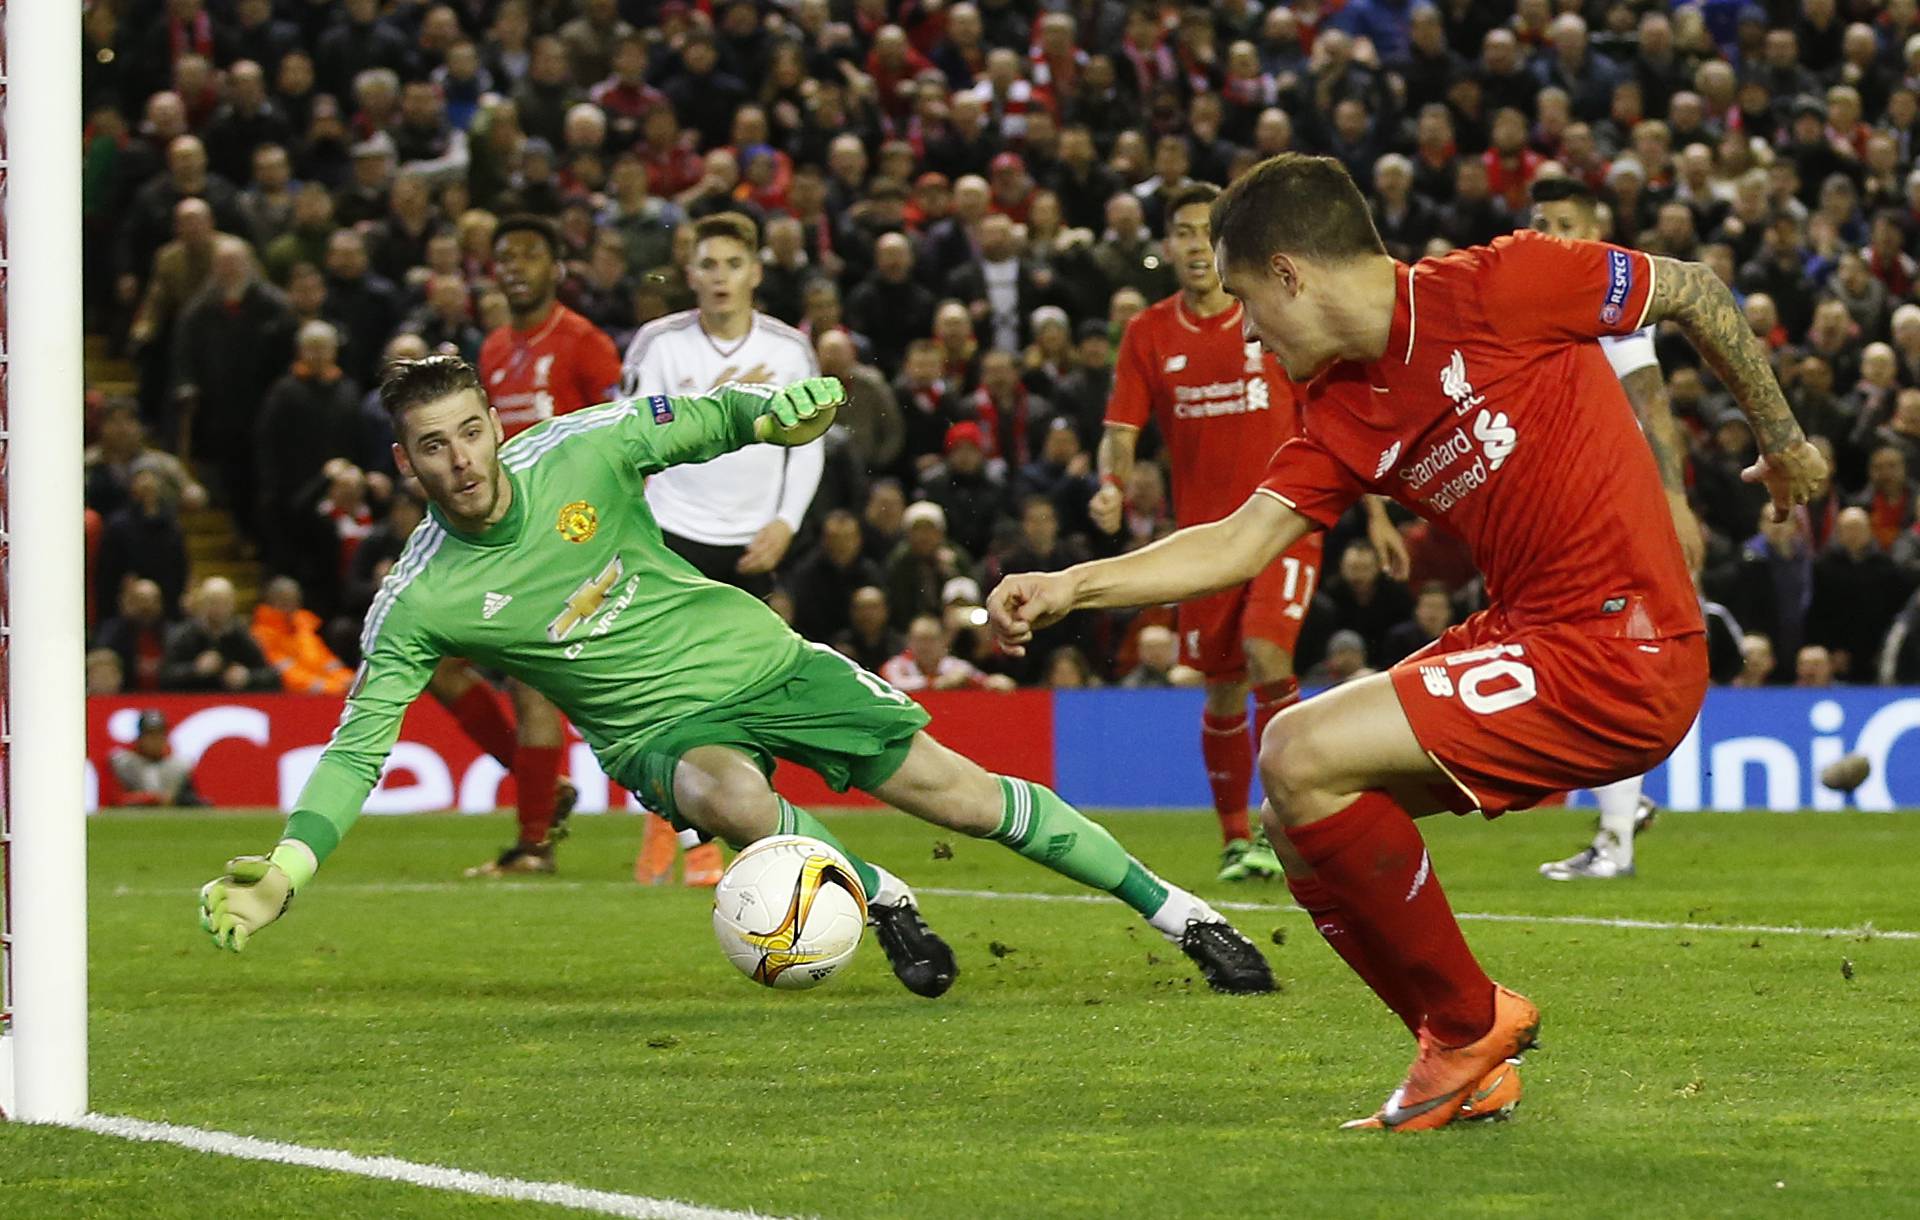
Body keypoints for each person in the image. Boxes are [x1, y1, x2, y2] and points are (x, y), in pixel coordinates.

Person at [987, 153, 1825, 1130]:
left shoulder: (1504, 281)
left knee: (1297, 747)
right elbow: (1238, 541)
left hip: (1622, 648)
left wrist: (1782, 439)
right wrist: (1070, 584)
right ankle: (1460, 1045)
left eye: (1253, 300)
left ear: (1292, 271)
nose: (1249, 330)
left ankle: (1473, 1024)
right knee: (1293, 811)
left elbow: (1692, 290)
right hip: (1529, 636)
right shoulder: (1342, 405)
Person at [198, 357, 1274, 1007]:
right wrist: (289, 865)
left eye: (473, 431)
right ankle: (883, 896)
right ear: (405, 463)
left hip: (767, 660)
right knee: (740, 803)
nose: (463, 460)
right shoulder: (419, 598)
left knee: (970, 799)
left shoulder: (580, 445)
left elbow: (700, 420)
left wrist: (777, 415)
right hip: (661, 733)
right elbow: (356, 745)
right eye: (433, 447)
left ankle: (1186, 918)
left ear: (494, 422)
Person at [1088, 181, 1402, 883]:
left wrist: (1377, 513)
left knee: (1267, 653)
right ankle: (1236, 839)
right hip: (1203, 542)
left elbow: (1342, 412)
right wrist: (1112, 486)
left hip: (1285, 522)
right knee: (1222, 687)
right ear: (1168, 247)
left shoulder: (1270, 320)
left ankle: (1287, 818)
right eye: (1184, 234)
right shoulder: (1149, 334)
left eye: (1206, 232)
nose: (1196, 246)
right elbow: (1121, 430)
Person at [621, 212, 825, 886]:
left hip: (755, 542)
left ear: (756, 273)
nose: (719, 278)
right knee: (668, 693)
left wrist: (787, 524)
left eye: (732, 265)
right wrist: (639, 530)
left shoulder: (791, 350)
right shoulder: (660, 346)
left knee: (748, 693)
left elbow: (812, 440)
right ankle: (679, 835)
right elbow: (630, 441)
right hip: (672, 534)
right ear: (690, 274)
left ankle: (745, 835)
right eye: (707, 265)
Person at [1530, 176, 1706, 882]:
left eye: (1564, 220)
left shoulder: (1611, 296)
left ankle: (1616, 838)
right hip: (1563, 502)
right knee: (1581, 657)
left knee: (1603, 658)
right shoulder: (1539, 294)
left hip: (1612, 504)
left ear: (1596, 226)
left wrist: (1676, 500)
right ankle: (1620, 817)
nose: (1551, 232)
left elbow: (1652, 403)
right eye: (1542, 220)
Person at [441, 214, 623, 878]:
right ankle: (538, 789)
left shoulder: (585, 343)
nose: (514, 266)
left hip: (567, 539)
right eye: (504, 257)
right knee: (438, 662)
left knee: (529, 686)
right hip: (500, 538)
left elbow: (623, 434)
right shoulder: (492, 349)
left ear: (556, 267)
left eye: (528, 255)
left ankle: (534, 846)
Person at [107, 710, 204, 807]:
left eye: (159, 735)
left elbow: (190, 799)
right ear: (140, 738)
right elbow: (114, 799)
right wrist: (153, 799)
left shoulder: (180, 765)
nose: (155, 741)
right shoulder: (124, 763)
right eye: (150, 735)